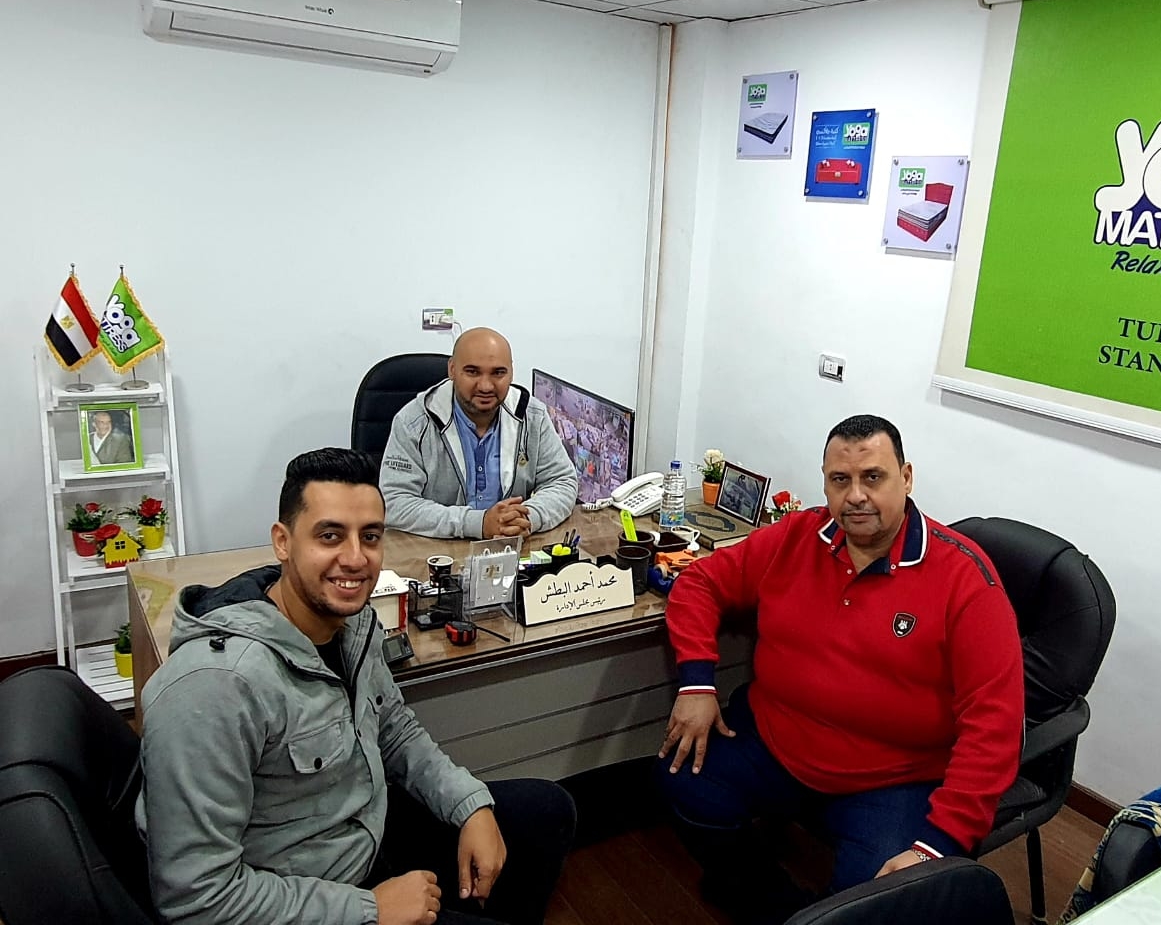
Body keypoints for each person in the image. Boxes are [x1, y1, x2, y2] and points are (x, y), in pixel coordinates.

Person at [136, 448, 576, 925]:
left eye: (370, 537)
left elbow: (394, 729)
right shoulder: (213, 688)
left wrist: (468, 805)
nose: (355, 559)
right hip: (305, 895)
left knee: (548, 811)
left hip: (363, 832)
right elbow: (198, 899)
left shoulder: (351, 620)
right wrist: (370, 909)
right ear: (282, 542)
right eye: (330, 536)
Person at [656, 415, 1023, 925]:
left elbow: (995, 727)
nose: (855, 496)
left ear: (906, 478)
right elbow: (699, 584)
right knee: (680, 778)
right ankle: (770, 903)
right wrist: (697, 683)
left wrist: (937, 845)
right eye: (840, 480)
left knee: (876, 900)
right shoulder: (797, 535)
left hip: (894, 777)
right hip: (776, 739)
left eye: (873, 477)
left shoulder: (965, 579)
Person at [380, 328, 578, 539]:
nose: (485, 386)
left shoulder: (533, 416)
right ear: (452, 370)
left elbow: (562, 482)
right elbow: (394, 502)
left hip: (512, 549)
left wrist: (526, 518)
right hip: (436, 552)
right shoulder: (414, 422)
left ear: (511, 372)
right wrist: (477, 523)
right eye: (472, 372)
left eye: (498, 373)